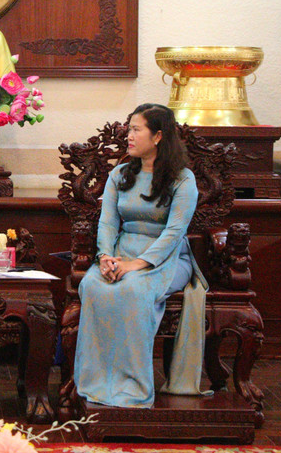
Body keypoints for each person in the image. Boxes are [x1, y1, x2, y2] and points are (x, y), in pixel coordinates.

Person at [73, 103, 210, 408]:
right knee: (94, 286)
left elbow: (175, 233)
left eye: (136, 129)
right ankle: (96, 384)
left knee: (133, 289)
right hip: (121, 251)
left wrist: (138, 264)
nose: (128, 136)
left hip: (168, 257)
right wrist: (105, 257)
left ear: (158, 136)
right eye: (129, 128)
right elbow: (108, 221)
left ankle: (132, 386)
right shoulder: (120, 174)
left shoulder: (183, 179)